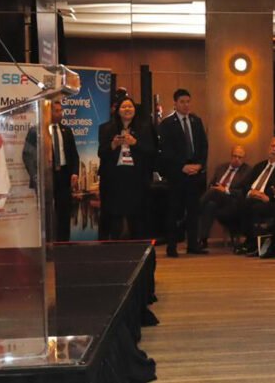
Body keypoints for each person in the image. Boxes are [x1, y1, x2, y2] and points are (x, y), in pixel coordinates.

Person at [158, 88, 208, 257]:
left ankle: (193, 245)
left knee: (194, 210)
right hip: (177, 174)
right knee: (173, 211)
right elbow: (166, 151)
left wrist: (199, 165)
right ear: (175, 103)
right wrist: (182, 166)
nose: (186, 105)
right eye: (182, 102)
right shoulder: (166, 124)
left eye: (188, 101)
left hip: (195, 173)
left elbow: (203, 146)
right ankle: (171, 247)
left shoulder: (196, 121)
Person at [98, 97, 155, 239]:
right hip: (114, 179)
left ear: (135, 110)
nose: (127, 109)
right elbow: (101, 153)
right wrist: (113, 145)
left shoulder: (145, 128)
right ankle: (112, 249)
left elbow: (151, 151)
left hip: (136, 178)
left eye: (130, 106)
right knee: (114, 218)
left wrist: (135, 143)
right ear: (117, 111)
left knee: (137, 218)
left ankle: (137, 249)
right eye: (124, 107)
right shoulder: (106, 128)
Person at [196, 145, 249, 250]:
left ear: (243, 158)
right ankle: (203, 240)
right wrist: (215, 189)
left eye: (240, 157)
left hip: (232, 203)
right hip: (217, 201)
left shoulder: (247, 171)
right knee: (210, 205)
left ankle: (194, 210)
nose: (237, 159)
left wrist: (225, 190)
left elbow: (243, 192)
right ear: (231, 156)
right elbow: (211, 185)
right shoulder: (221, 168)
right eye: (235, 156)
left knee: (214, 191)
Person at [49, 100, 79, 241]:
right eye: (57, 110)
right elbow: (28, 154)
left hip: (63, 174)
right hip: (47, 176)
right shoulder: (39, 131)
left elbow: (74, 154)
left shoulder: (66, 130)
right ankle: (48, 243)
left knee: (64, 211)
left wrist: (74, 173)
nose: (60, 113)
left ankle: (64, 243)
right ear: (48, 112)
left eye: (61, 110)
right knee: (48, 212)